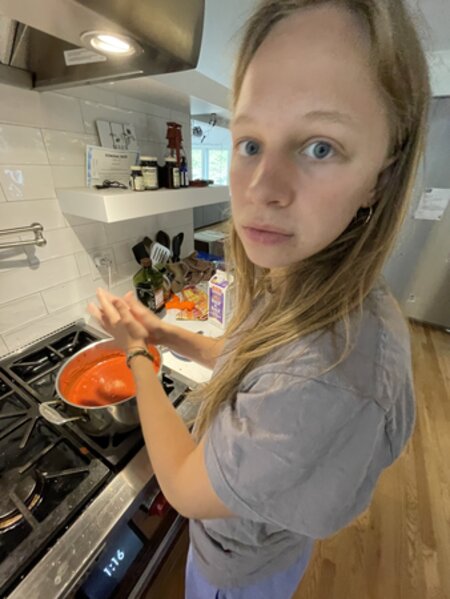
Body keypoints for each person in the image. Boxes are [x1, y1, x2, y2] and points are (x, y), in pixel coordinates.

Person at [88, 0, 431, 597]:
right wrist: (164, 333)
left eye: (319, 146)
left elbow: (184, 487)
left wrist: (138, 354)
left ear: (381, 175)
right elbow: (248, 358)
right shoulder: (302, 276)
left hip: (238, 574)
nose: (261, 188)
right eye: (250, 143)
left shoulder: (328, 371)